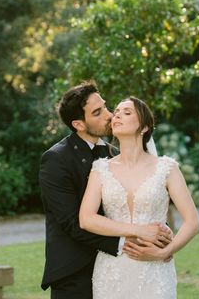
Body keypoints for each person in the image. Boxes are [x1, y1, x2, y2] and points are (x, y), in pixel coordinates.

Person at [39, 82, 172, 299]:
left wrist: (160, 234)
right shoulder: (56, 160)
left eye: (105, 107)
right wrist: (125, 242)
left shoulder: (115, 154)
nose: (110, 115)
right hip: (74, 272)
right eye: (98, 112)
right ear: (79, 124)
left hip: (118, 267)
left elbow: (137, 200)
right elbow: (71, 223)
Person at [79, 96, 199, 299]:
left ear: (144, 127)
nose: (117, 115)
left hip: (155, 271)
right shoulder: (100, 169)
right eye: (116, 112)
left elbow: (193, 221)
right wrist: (138, 231)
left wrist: (164, 252)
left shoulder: (166, 168)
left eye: (127, 112)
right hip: (111, 270)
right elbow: (86, 219)